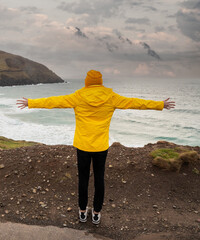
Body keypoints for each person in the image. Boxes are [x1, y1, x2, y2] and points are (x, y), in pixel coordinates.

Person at [16, 70, 175, 225]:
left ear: (87, 82)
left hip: (83, 146)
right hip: (100, 147)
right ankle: (97, 213)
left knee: (83, 179)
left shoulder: (78, 96)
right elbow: (135, 103)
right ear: (100, 82)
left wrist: (31, 102)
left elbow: (54, 101)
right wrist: (160, 104)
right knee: (99, 179)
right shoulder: (111, 97)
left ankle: (83, 212)